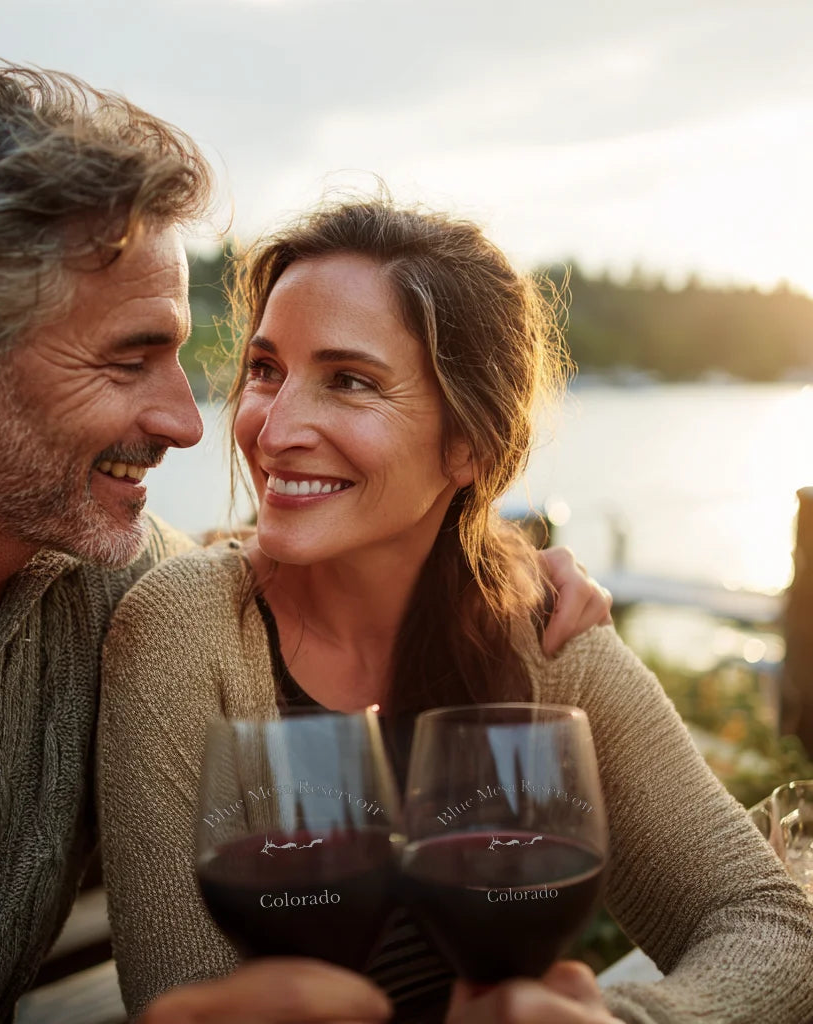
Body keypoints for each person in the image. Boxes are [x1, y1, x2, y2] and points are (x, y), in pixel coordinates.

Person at [0, 59, 608, 1021]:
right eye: (130, 358)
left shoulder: (110, 582)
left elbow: (244, 568)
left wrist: (481, 555)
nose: (189, 422)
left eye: (185, 356)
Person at [99, 199, 813, 1023]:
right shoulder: (185, 632)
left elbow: (769, 922)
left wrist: (623, 1022)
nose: (274, 427)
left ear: (468, 445)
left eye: (350, 381)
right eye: (266, 370)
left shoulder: (540, 630)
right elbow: (188, 1007)